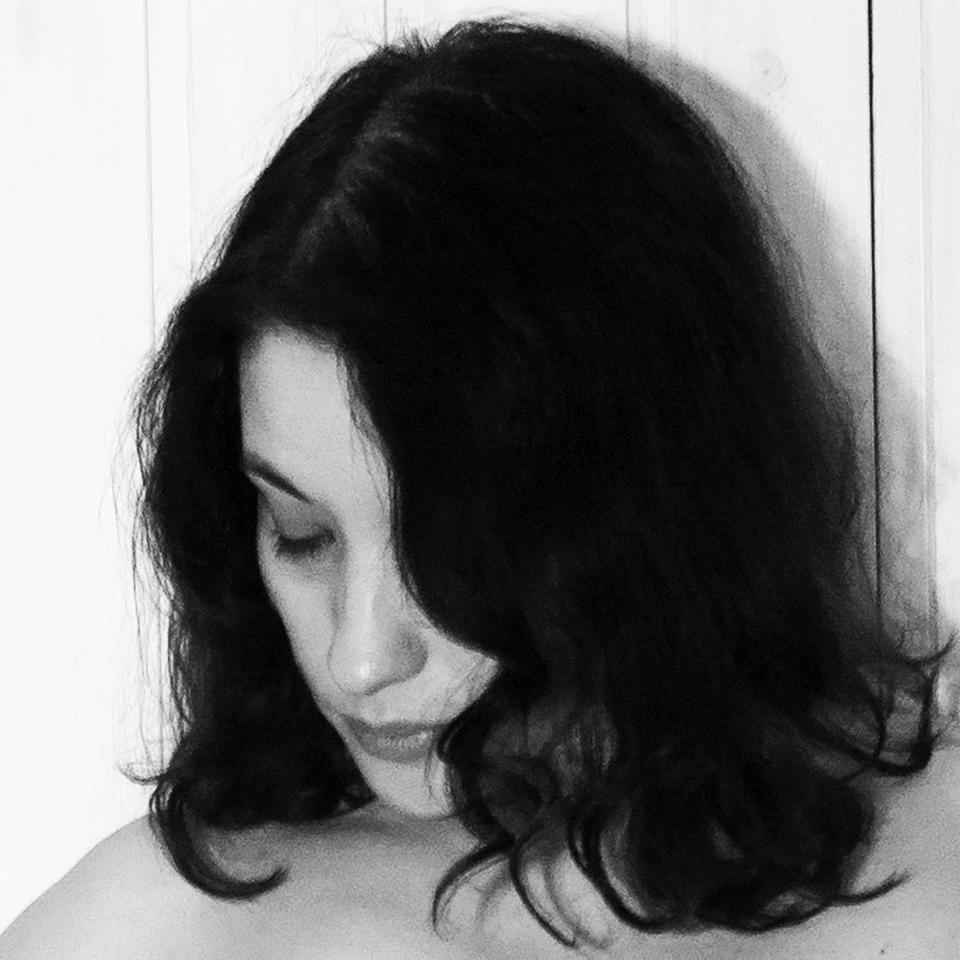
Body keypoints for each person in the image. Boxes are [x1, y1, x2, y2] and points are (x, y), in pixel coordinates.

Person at [3, 15, 959, 960]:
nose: (359, 659)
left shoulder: (930, 880)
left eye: (446, 547)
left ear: (647, 504)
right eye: (301, 533)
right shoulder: (158, 925)